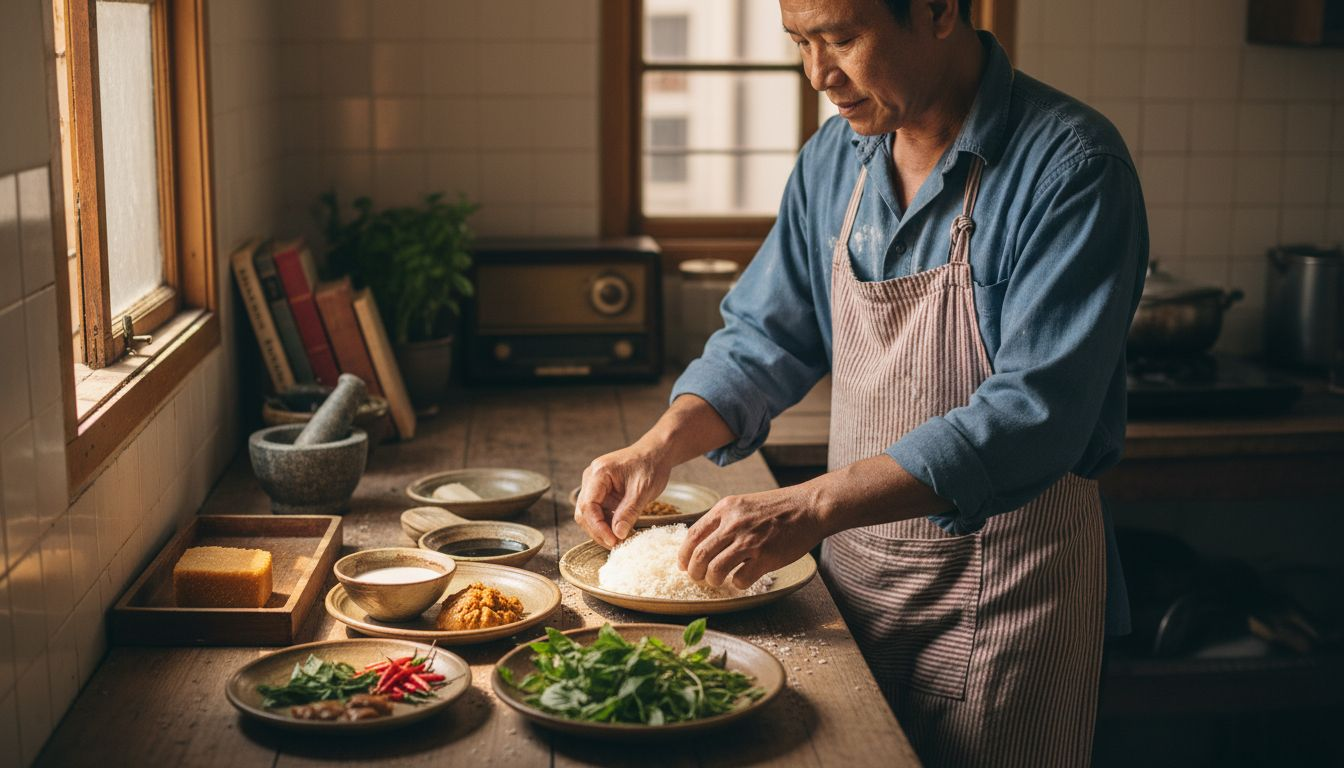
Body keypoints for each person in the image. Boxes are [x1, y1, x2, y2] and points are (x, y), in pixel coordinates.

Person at [574, 0, 1147, 764]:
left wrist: (809, 504)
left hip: (1010, 601)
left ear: (941, 11)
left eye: (842, 38)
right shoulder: (834, 159)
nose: (819, 75)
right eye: (800, 43)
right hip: (855, 588)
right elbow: (766, 335)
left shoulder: (1073, 167)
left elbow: (1033, 414)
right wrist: (656, 447)